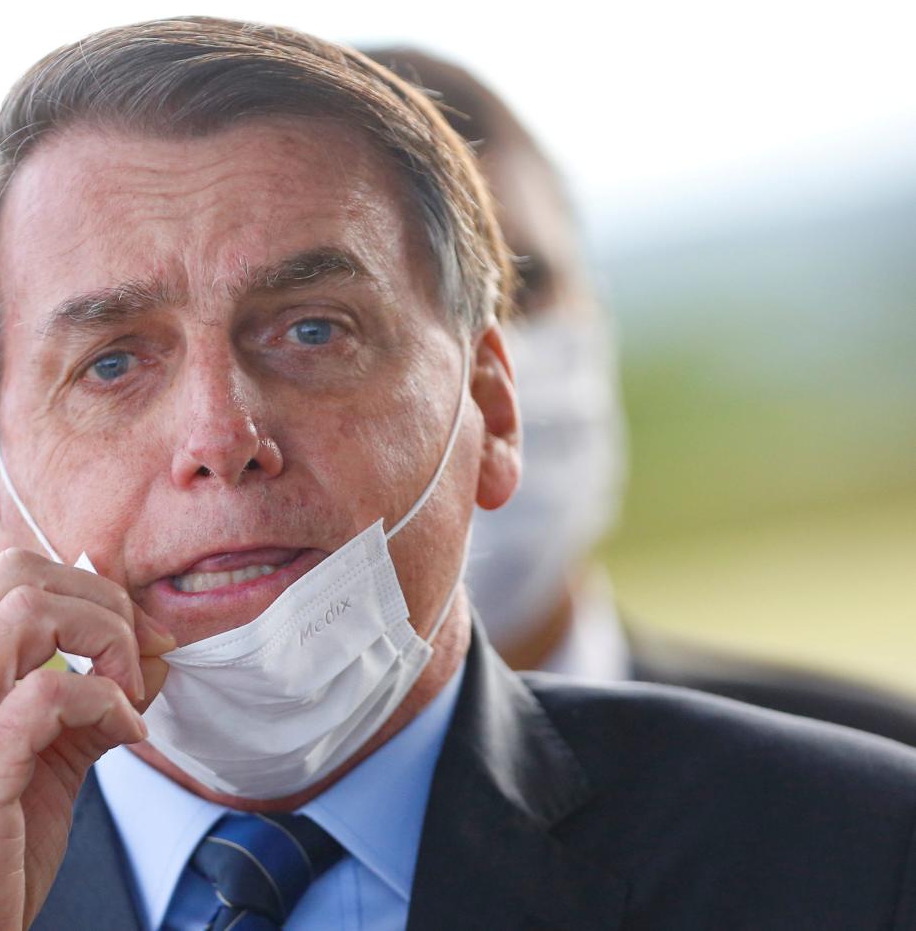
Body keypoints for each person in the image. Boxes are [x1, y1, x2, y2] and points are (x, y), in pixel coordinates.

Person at [0, 18, 916, 931]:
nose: (221, 432)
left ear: (490, 403)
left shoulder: (859, 856)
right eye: (113, 363)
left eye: (311, 330)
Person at [364, 47, 916, 746]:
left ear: (593, 300)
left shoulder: (873, 787)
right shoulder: (226, 845)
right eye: (354, 320)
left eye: (523, 286)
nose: (491, 364)